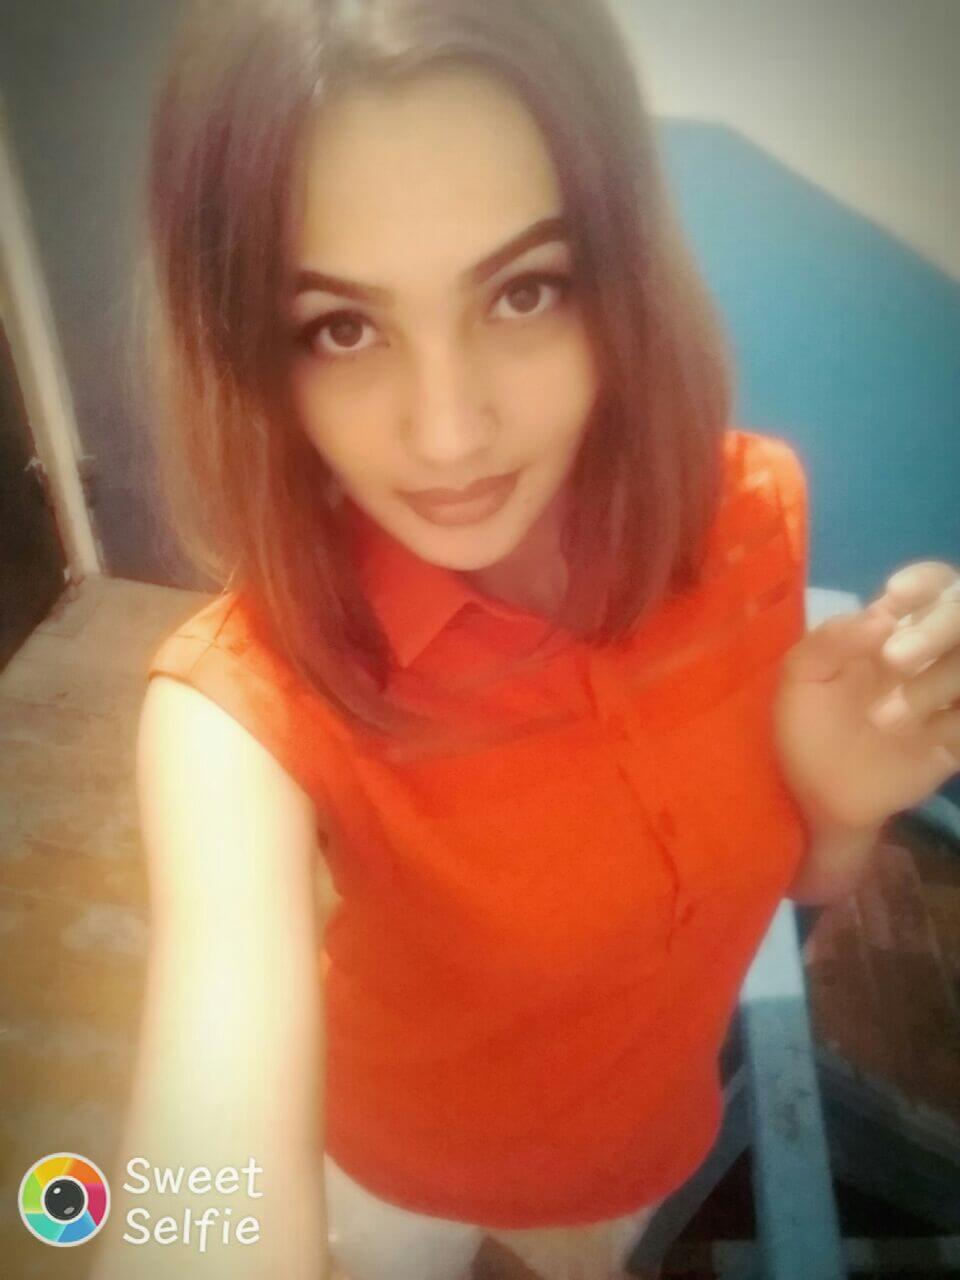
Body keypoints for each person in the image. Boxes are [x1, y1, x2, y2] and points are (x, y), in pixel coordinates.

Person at [89, 0, 960, 1278]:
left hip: (646, 1154)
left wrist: (837, 803)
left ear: (618, 274)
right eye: (341, 325)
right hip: (390, 1173)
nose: (450, 433)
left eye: (523, 291)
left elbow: (787, 889)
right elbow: (205, 1161)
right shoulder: (237, 710)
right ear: (251, 351)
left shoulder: (751, 520)